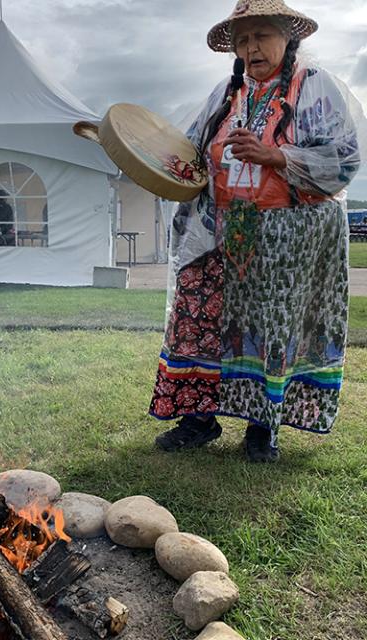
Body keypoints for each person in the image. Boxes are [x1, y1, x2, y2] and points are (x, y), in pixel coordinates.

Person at [150, 0, 366, 462]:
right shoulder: (226, 94)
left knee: (271, 328)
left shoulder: (316, 88)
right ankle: (198, 416)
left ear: (289, 38)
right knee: (200, 318)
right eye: (243, 39)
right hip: (220, 232)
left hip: (290, 236)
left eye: (262, 34)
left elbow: (345, 158)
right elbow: (189, 153)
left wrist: (278, 157)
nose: (252, 47)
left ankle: (261, 426)